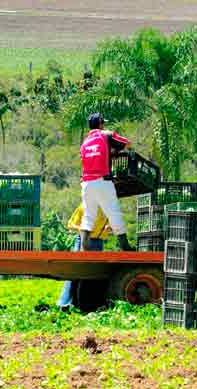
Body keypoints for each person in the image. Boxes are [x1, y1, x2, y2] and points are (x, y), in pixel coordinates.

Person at [80, 112, 134, 251]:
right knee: (114, 212)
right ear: (101, 124)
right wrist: (124, 150)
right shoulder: (106, 135)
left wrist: (110, 154)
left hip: (86, 183)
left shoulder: (84, 143)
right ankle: (124, 245)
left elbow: (95, 157)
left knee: (89, 214)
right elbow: (127, 143)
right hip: (102, 181)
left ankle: (85, 243)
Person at [56, 203, 111, 310]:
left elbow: (111, 226)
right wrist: (82, 229)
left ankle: (83, 304)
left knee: (92, 274)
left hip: (98, 242)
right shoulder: (84, 206)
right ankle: (63, 303)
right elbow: (71, 224)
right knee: (76, 273)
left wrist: (109, 227)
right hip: (82, 240)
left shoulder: (107, 208)